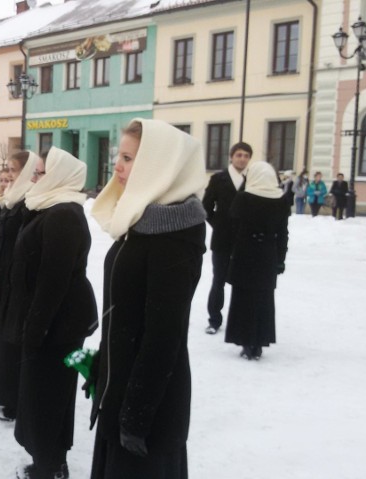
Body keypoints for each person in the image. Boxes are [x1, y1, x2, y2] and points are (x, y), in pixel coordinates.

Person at [88, 119, 206, 479]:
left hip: (148, 406)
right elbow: (127, 312)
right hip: (122, 386)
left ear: (159, 165)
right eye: (118, 156)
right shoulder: (140, 218)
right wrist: (103, 365)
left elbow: (163, 337)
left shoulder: (173, 232)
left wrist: (136, 417)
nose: (117, 167)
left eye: (127, 158)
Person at [6, 147, 97, 479]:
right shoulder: (50, 206)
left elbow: (52, 282)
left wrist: (35, 329)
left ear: (59, 176)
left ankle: (49, 467)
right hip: (50, 321)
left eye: (40, 172)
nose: (33, 177)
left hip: (56, 325)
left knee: (48, 397)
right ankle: (50, 460)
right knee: (45, 394)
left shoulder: (63, 214)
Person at [0, 150, 37, 423]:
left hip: (14, 277)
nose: (9, 176)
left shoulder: (28, 201)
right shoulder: (14, 197)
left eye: (14, 170)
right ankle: (3, 391)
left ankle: (12, 397)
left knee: (12, 339)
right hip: (3, 272)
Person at [224, 161, 289, 360]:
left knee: (243, 298)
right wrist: (280, 259)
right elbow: (282, 233)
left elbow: (232, 225)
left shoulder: (244, 198)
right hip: (267, 255)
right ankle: (260, 341)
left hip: (245, 253)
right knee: (263, 299)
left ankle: (245, 340)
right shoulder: (280, 200)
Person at [202, 141, 250, 335]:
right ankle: (214, 319)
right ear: (231, 157)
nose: (242, 158)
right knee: (219, 280)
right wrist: (219, 224)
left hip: (246, 240)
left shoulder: (253, 179)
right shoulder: (218, 179)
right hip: (222, 239)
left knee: (242, 282)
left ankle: (238, 321)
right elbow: (205, 206)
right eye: (239, 155)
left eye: (246, 155)